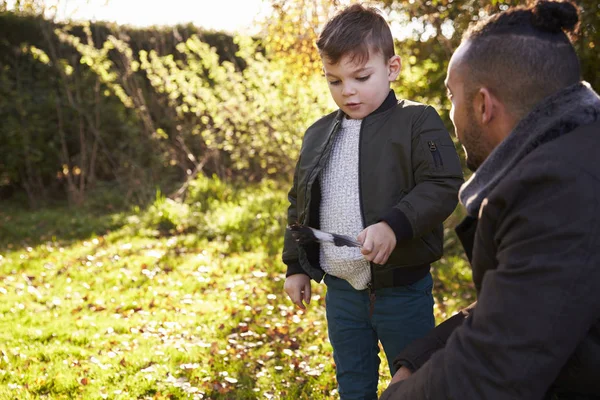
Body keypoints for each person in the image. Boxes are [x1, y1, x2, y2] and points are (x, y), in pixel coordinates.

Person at [382, 1, 600, 399]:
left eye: (452, 97)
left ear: (483, 105)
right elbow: (523, 304)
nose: (450, 113)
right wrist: (419, 357)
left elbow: (493, 372)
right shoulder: (575, 156)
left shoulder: (560, 190)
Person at [281, 4, 464, 399]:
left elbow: (442, 183)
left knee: (415, 382)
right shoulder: (317, 134)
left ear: (392, 68)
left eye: (361, 77)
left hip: (402, 290)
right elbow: (299, 201)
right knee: (353, 380)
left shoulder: (417, 121)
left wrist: (394, 225)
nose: (347, 90)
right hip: (342, 292)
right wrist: (296, 265)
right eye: (334, 81)